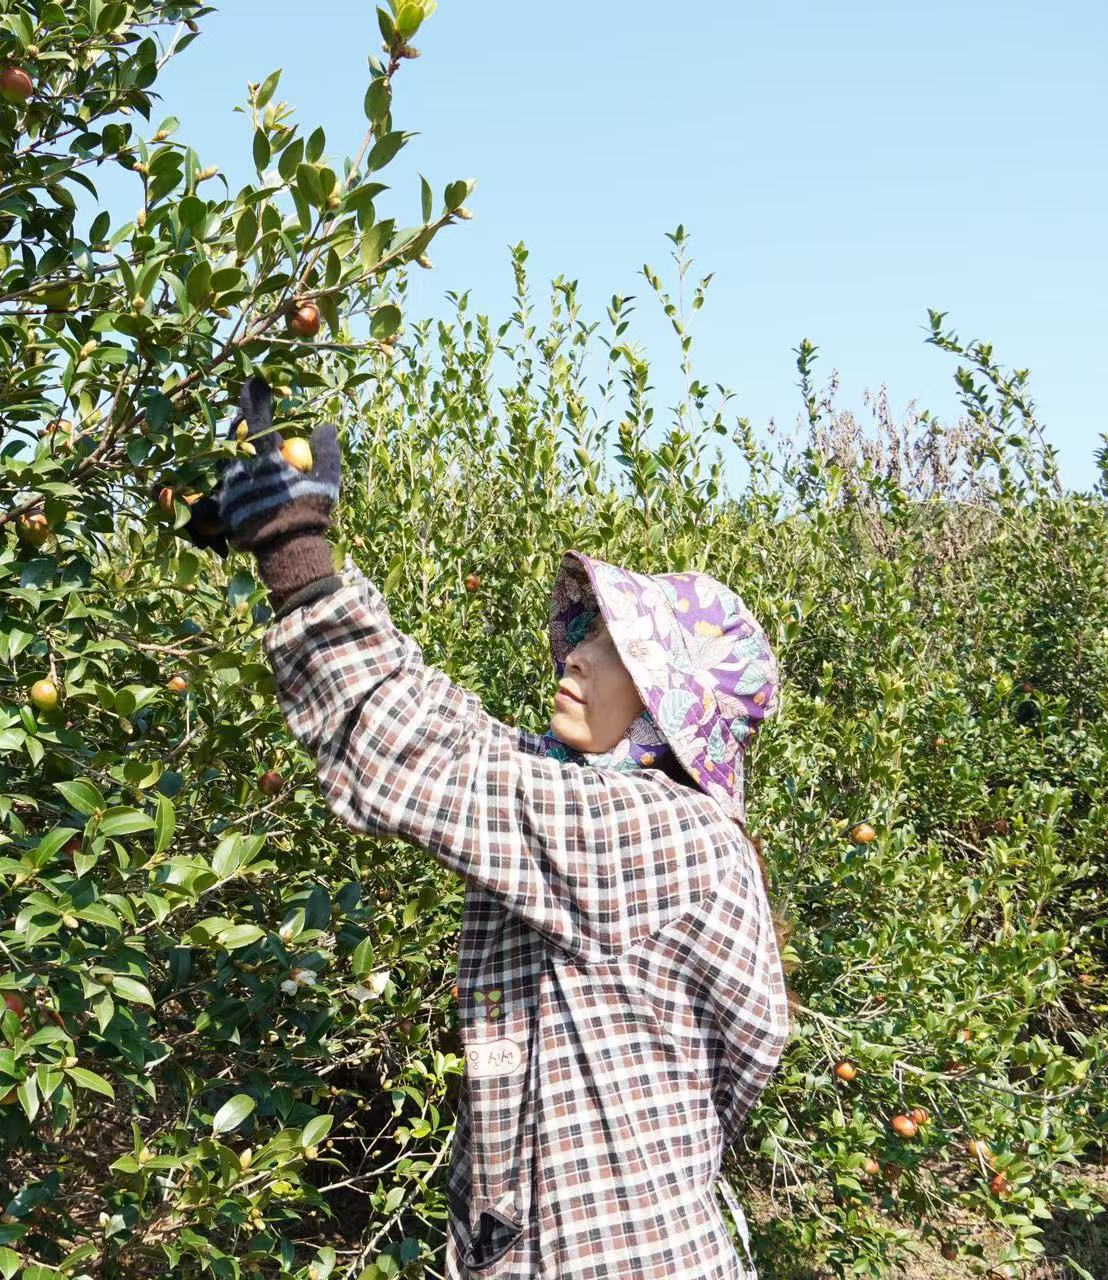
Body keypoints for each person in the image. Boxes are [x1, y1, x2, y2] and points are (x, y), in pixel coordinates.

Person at [184, 378, 791, 1278]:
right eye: (587, 633)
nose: (579, 652)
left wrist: (294, 552)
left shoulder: (665, 837)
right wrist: (300, 558)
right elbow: (448, 729)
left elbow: (422, 763)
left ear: (670, 713)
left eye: (618, 649)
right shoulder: (589, 802)